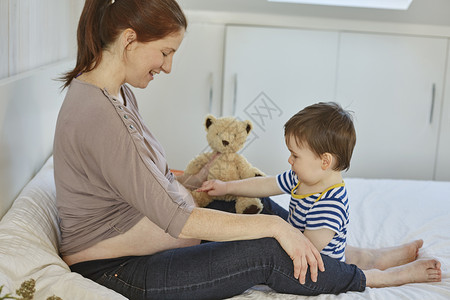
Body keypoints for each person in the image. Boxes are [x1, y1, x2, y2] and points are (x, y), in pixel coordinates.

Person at [53, 1, 438, 299]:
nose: (168, 67)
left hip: (146, 250)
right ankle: (371, 277)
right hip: (120, 270)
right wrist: (272, 228)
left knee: (253, 206)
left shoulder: (114, 95)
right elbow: (179, 219)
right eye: (166, 52)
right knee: (269, 247)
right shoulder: (98, 114)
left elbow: (139, 175)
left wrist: (198, 181)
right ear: (130, 39)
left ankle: (358, 255)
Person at [198, 102, 442, 288]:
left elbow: (306, 248)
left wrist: (261, 232)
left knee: (353, 276)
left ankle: (392, 275)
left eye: (295, 155)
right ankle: (372, 256)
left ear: (324, 161)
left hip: (315, 266)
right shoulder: (302, 177)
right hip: (311, 249)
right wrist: (228, 187)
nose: (289, 160)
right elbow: (266, 185)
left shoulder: (330, 204)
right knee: (260, 205)